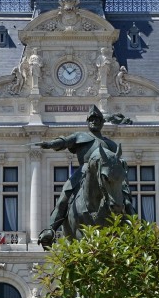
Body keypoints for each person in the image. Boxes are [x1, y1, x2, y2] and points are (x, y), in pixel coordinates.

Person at [34, 105, 133, 248]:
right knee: (65, 195)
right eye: (91, 119)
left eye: (97, 119)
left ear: (102, 122)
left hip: (105, 174)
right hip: (84, 171)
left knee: (125, 198)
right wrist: (50, 144)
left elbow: (116, 161)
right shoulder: (81, 136)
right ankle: (50, 230)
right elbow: (64, 141)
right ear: (87, 122)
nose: (94, 122)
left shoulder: (110, 144)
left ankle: (135, 227)